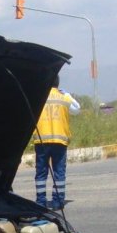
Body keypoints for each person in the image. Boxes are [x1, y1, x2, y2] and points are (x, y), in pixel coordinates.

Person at [33, 76, 80, 210]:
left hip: (41, 141)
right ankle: (57, 202)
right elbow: (77, 109)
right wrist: (67, 94)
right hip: (59, 141)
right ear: (58, 83)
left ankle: (40, 202)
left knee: (41, 173)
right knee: (59, 173)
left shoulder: (38, 97)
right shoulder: (63, 97)